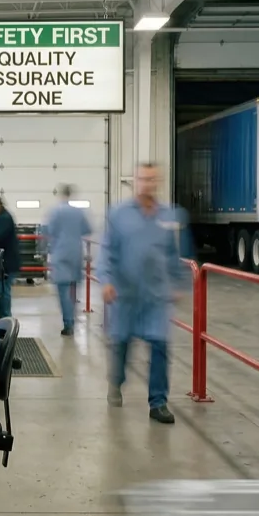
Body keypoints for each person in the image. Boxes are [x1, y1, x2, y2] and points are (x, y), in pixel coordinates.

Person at [99, 162, 193, 424]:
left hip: (156, 296)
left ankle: (158, 402)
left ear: (158, 182)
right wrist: (106, 281)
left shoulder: (170, 216)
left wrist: (178, 283)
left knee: (160, 346)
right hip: (125, 295)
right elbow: (107, 251)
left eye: (152, 179)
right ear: (135, 181)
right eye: (143, 179)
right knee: (121, 345)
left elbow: (174, 254)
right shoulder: (118, 214)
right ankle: (116, 383)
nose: (147, 184)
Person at [43, 184, 92, 336]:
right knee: (73, 291)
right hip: (75, 254)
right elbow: (87, 229)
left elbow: (49, 231)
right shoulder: (79, 212)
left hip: (61, 254)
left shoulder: (55, 212)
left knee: (63, 291)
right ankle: (72, 320)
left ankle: (68, 323)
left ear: (60, 194)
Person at [0, 194, 21, 317]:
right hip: (4, 262)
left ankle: (5, 318)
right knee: (2, 291)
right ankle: (4, 317)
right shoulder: (0, 218)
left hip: (7, 262)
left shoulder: (5, 218)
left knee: (3, 292)